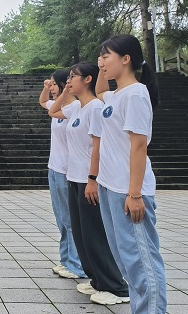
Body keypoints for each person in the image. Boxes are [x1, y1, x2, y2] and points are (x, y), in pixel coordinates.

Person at [95, 34, 166, 313]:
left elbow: (139, 146)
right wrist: (101, 65)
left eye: (107, 56)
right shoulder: (115, 95)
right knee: (126, 260)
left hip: (129, 190)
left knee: (141, 261)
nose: (101, 62)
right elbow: (100, 92)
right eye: (100, 57)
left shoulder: (136, 94)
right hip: (110, 186)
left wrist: (135, 194)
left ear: (126, 60)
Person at [49, 62, 130, 306]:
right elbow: (53, 111)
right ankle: (97, 280)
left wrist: (92, 180)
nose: (69, 80)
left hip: (88, 181)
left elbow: (97, 147)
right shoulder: (77, 109)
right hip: (73, 178)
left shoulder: (95, 107)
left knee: (95, 235)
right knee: (83, 234)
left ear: (88, 80)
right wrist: (64, 92)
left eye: (74, 77)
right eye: (69, 76)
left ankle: (116, 287)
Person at [39, 69, 85, 279]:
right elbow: (43, 104)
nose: (54, 89)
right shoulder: (60, 107)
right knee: (61, 218)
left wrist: (64, 93)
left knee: (69, 219)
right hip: (54, 169)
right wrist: (46, 89)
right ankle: (66, 259)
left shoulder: (75, 108)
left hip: (68, 171)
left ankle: (76, 264)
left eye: (56, 85)